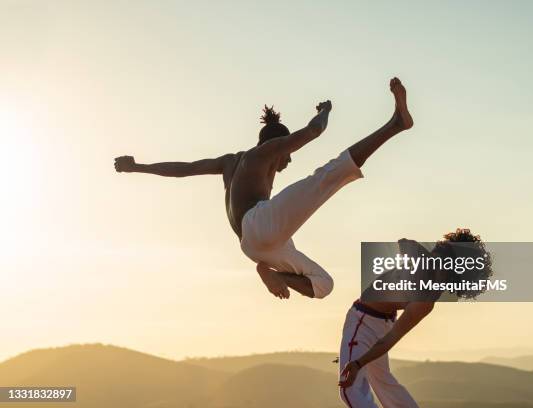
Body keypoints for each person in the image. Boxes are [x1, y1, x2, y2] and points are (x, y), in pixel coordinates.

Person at [115, 77, 413, 300]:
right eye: (287, 154)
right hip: (260, 226)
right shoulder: (267, 151)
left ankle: (267, 272)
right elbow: (314, 131)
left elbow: (184, 169)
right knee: (326, 177)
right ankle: (395, 125)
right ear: (275, 145)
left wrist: (138, 166)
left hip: (254, 245)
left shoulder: (230, 161)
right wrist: (327, 110)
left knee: (324, 284)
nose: (288, 160)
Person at [338, 229, 492, 408]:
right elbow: (404, 242)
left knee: (349, 390)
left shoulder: (425, 301)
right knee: (385, 382)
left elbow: (390, 339)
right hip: (379, 320)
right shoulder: (423, 264)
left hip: (362, 320)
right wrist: (424, 259)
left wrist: (357, 363)